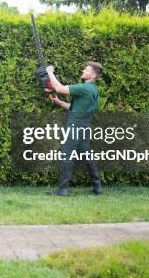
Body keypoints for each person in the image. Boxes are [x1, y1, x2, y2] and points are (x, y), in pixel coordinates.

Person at [45, 62, 104, 196]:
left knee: (67, 155)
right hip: (84, 125)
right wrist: (60, 103)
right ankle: (97, 187)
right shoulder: (93, 89)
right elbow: (76, 107)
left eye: (86, 69)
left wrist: (49, 72)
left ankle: (63, 189)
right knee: (87, 156)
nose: (83, 70)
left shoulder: (84, 88)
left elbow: (59, 88)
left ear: (93, 75)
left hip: (75, 125)